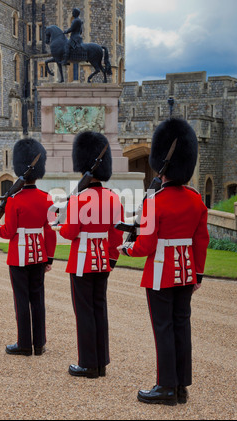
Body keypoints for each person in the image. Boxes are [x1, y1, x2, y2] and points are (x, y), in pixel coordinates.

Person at [118, 118, 210, 405]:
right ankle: (181, 386)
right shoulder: (196, 200)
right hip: (186, 274)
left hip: (160, 274)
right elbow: (201, 242)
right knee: (181, 326)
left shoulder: (154, 201)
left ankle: (166, 387)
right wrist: (197, 274)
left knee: (164, 329)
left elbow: (146, 245)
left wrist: (126, 249)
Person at [58, 131, 124, 378]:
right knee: (100, 310)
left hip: (82, 261)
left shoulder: (78, 199)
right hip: (104, 261)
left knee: (84, 312)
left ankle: (88, 364)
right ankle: (102, 362)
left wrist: (59, 225)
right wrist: (112, 259)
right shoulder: (114, 198)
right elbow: (117, 234)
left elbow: (70, 232)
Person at [0, 138, 57, 356]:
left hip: (18, 257)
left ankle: (24, 343)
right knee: (38, 300)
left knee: (21, 301)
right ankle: (40, 344)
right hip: (39, 256)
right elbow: (50, 232)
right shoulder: (48, 198)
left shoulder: (14, 200)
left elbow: (8, 232)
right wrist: (49, 259)